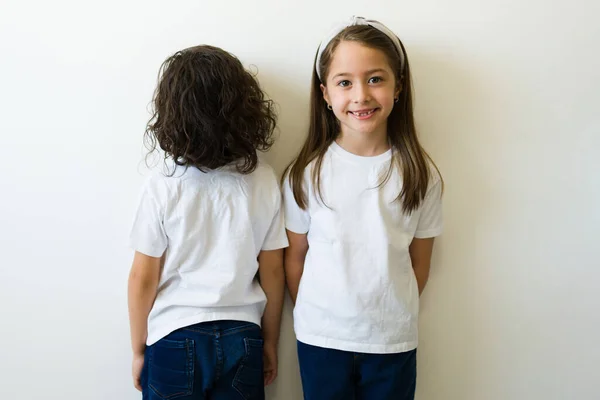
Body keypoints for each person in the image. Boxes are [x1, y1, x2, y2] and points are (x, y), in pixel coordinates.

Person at [282, 16, 444, 400]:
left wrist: (388, 314)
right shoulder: (306, 174)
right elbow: (295, 260)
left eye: (375, 79)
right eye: (344, 82)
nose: (361, 95)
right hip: (321, 338)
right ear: (325, 93)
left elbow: (420, 263)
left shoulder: (421, 175)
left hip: (392, 342)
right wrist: (318, 314)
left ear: (398, 86)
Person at [127, 45, 288, 400]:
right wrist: (271, 341)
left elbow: (143, 277)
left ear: (173, 114)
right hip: (244, 335)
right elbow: (273, 272)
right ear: (244, 109)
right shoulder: (262, 180)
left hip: (173, 333)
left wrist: (139, 348)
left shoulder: (163, 184)